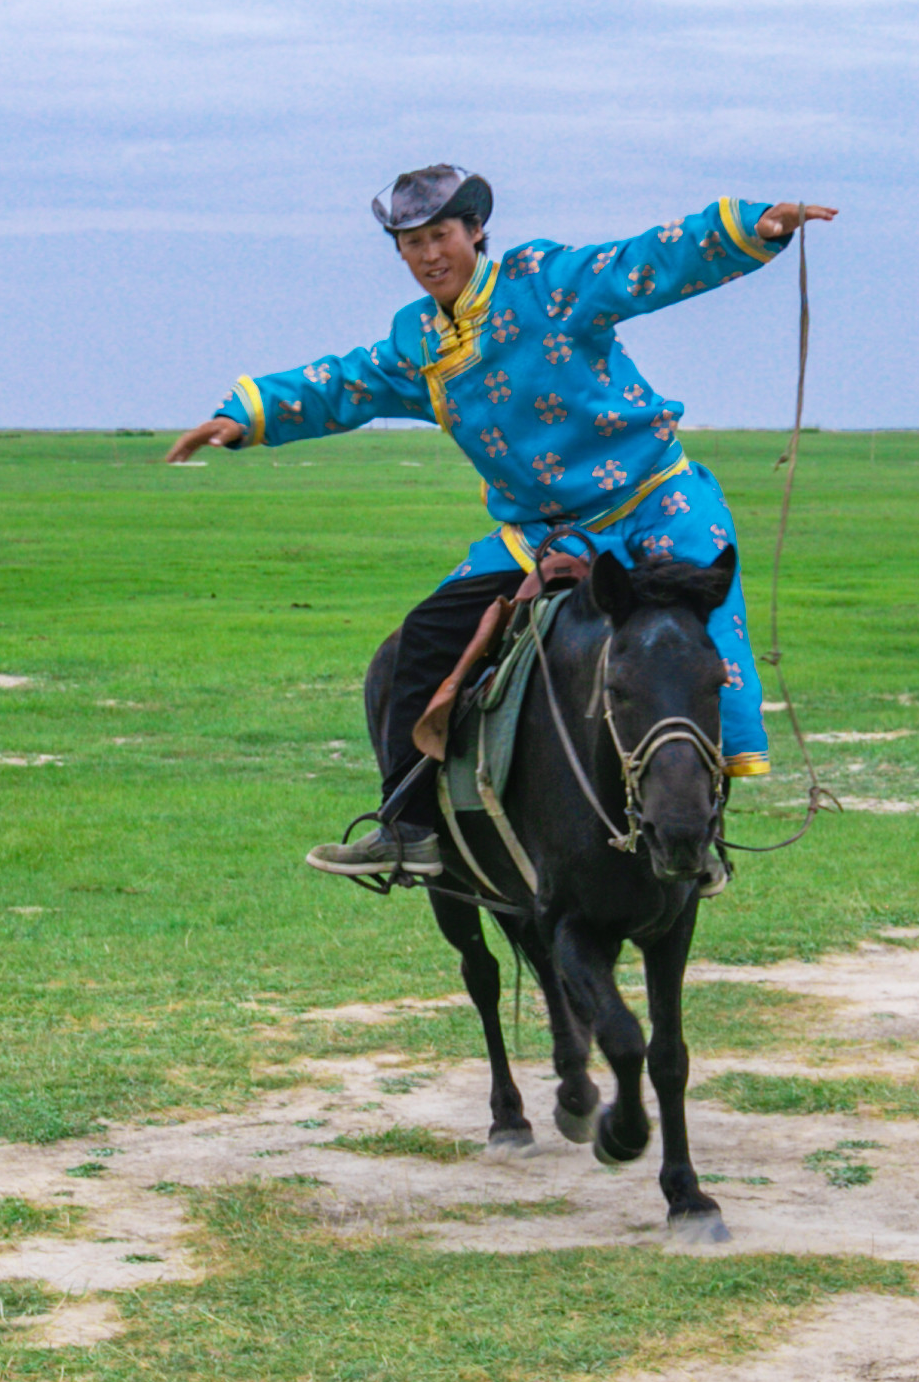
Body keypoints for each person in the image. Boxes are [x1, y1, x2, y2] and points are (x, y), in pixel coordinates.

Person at [166, 165, 837, 877]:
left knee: (698, 642)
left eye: (440, 235)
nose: (428, 255)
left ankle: (700, 835)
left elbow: (640, 263)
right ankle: (409, 828)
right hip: (539, 534)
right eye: (411, 242)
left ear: (476, 231)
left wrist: (741, 230)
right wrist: (243, 416)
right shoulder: (419, 345)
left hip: (652, 502)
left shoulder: (543, 285)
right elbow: (344, 383)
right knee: (422, 640)